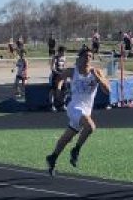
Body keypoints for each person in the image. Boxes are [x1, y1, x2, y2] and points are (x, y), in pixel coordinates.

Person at [46, 46, 110, 176]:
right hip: (74, 107)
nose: (87, 59)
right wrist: (58, 90)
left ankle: (52, 157)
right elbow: (59, 79)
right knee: (91, 126)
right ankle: (76, 150)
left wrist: (99, 79)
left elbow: (108, 91)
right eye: (85, 56)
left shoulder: (96, 72)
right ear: (79, 58)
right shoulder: (72, 71)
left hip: (86, 111)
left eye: (90, 57)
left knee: (67, 137)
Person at [49, 46, 67, 111]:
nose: (65, 53)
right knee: (53, 91)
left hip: (62, 76)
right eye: (64, 52)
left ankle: (62, 105)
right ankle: (52, 105)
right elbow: (52, 68)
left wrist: (65, 73)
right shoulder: (55, 58)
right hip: (55, 76)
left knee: (64, 90)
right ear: (60, 52)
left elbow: (64, 66)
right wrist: (58, 73)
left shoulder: (64, 58)